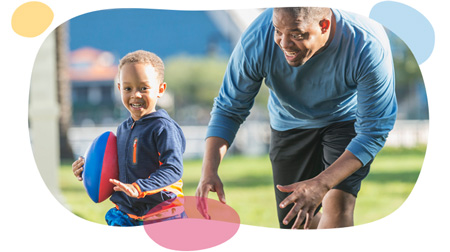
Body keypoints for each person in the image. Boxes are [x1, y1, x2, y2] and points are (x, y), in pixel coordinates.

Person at [195, 7, 397, 229]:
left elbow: (373, 132)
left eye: (297, 34)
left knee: (338, 205)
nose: (284, 44)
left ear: (324, 25)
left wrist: (322, 183)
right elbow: (229, 108)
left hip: (345, 120)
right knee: (295, 220)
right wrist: (209, 171)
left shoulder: (367, 44)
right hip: (289, 122)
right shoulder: (257, 38)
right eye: (278, 31)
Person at [72, 50, 187, 226]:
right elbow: (117, 167)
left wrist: (139, 187)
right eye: (128, 88)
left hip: (162, 214)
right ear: (119, 89)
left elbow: (173, 169)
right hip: (128, 212)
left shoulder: (163, 127)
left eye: (144, 88)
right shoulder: (123, 128)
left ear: (160, 89)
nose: (136, 95)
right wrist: (87, 168)